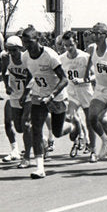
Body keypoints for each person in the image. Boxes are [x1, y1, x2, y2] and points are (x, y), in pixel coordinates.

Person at [21, 26, 70, 179]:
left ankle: (74, 126)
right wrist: (25, 92)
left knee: (57, 131)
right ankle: (40, 168)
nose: (27, 45)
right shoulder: (25, 56)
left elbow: (64, 79)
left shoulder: (50, 55)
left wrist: (52, 95)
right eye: (24, 42)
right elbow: (30, 74)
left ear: (37, 40)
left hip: (57, 96)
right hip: (39, 95)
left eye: (29, 42)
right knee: (36, 129)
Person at [86, 23, 107, 162]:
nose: (95, 35)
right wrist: (86, 74)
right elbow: (89, 61)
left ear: (106, 35)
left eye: (98, 33)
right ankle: (105, 140)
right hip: (100, 88)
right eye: (94, 32)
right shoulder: (91, 48)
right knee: (92, 117)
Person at [59, 31, 93, 158]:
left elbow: (94, 75)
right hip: (71, 92)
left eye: (71, 45)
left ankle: (90, 143)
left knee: (90, 121)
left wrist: (83, 80)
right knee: (71, 116)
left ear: (76, 43)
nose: (68, 48)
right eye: (66, 45)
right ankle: (78, 140)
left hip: (85, 91)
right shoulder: (61, 58)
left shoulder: (85, 57)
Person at [0, 35, 31, 162]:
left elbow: (31, 76)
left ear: (20, 48)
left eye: (14, 50)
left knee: (25, 123)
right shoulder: (7, 59)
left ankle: (28, 154)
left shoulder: (26, 58)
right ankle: (39, 139)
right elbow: (4, 72)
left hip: (28, 94)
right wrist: (6, 85)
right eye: (9, 50)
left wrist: (25, 94)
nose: (12, 53)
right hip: (14, 94)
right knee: (18, 127)